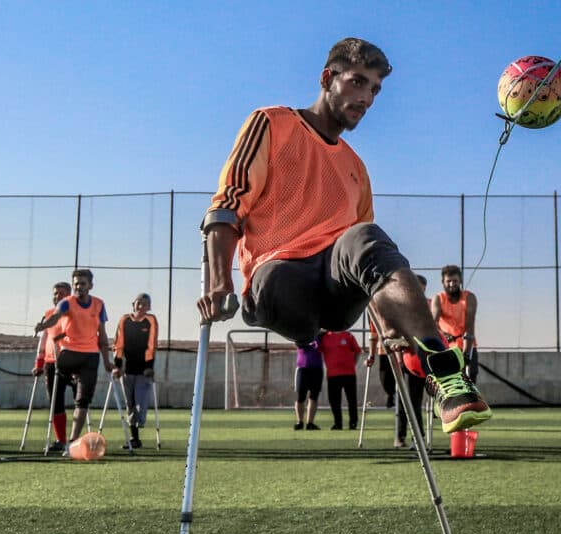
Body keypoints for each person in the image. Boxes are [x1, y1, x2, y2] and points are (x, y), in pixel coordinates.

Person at [195, 37, 491, 435]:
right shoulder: (272, 124)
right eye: (357, 82)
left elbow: (371, 267)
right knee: (303, 266)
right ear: (326, 78)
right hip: (280, 283)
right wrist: (219, 283)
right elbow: (227, 205)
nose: (366, 98)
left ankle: (445, 374)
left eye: (375, 90)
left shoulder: (356, 168)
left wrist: (388, 327)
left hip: (336, 297)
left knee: (366, 235)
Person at [34, 268, 118, 451]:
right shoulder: (67, 303)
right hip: (68, 354)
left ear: (90, 285)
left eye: (82, 283)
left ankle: (72, 442)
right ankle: (60, 439)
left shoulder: (99, 304)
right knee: (56, 396)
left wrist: (106, 361)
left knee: (83, 401)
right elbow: (55, 317)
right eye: (76, 284)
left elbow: (102, 335)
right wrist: (43, 325)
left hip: (91, 356)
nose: (79, 287)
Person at [367, 273, 428, 447]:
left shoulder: (426, 307)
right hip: (400, 358)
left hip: (417, 359)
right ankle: (401, 436)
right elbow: (389, 334)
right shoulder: (395, 306)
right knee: (403, 399)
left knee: (414, 400)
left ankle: (418, 438)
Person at [113, 293, 159, 449]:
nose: (141, 306)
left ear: (149, 307)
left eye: (145, 304)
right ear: (133, 304)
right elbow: (119, 344)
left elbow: (151, 345)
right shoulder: (124, 320)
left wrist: (149, 367)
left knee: (140, 402)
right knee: (130, 403)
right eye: (139, 303)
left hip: (143, 370)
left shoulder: (151, 320)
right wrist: (118, 366)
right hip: (127, 369)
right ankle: (134, 438)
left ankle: (139, 424)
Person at [32, 281, 74, 451]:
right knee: (55, 401)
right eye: (56, 293)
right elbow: (44, 340)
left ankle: (77, 439)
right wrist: (39, 363)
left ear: (69, 295)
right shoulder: (48, 314)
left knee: (80, 399)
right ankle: (60, 440)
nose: (58, 296)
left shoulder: (75, 312)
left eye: (62, 293)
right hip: (51, 362)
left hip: (72, 360)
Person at [431, 265, 479, 381]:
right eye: (448, 281)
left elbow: (470, 325)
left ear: (460, 281)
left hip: (467, 345)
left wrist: (466, 354)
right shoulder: (438, 298)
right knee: (449, 381)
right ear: (443, 282)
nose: (452, 284)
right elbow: (434, 323)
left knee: (470, 379)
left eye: (455, 281)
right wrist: (443, 335)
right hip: (446, 347)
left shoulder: (469, 297)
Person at [319, 330, 361, 430]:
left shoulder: (348, 335)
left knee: (352, 400)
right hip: (333, 375)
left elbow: (357, 351)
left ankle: (353, 422)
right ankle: (338, 423)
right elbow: (317, 350)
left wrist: (353, 364)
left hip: (349, 374)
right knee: (334, 401)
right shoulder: (324, 337)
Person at [293, 338, 323, 430]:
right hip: (302, 368)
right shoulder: (301, 335)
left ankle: (310, 423)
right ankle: (300, 422)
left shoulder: (320, 336)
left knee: (314, 396)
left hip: (317, 368)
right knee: (301, 396)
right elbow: (297, 343)